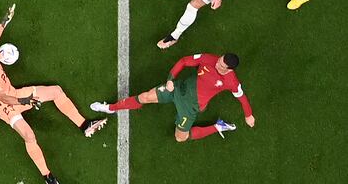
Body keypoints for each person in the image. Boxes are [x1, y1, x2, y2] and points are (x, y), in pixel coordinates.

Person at [0, 4, 107, 184]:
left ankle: (84, 125)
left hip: (14, 93)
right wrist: (24, 101)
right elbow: (3, 97)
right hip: (4, 106)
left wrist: (5, 19)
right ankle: (48, 176)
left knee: (56, 91)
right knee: (29, 136)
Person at [91, 53, 255, 142]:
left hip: (190, 107)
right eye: (218, 61)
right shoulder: (208, 58)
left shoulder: (231, 81)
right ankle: (110, 108)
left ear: (229, 69)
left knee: (180, 138)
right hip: (178, 88)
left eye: (221, 65)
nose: (217, 64)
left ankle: (217, 126)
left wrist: (248, 115)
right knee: (145, 97)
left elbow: (241, 96)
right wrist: (170, 79)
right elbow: (184, 61)